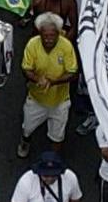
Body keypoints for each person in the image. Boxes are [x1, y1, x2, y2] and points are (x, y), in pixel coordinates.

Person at [18, 12, 78, 158]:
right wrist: (38, 79)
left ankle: (53, 159)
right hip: (36, 98)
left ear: (59, 33)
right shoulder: (32, 45)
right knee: (27, 128)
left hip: (60, 101)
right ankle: (25, 141)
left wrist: (53, 82)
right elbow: (26, 69)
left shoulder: (66, 46)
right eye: (45, 36)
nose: (49, 39)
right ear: (40, 33)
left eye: (53, 36)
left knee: (58, 136)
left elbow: (73, 72)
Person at [9, 152, 82, 202]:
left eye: (54, 175)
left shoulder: (70, 177)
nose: (50, 179)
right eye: (46, 175)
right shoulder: (26, 181)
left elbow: (75, 200)